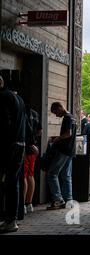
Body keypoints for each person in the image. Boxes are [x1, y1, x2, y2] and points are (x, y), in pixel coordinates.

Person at [0, 76, 27, 233]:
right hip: (20, 144)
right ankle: (13, 219)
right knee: (13, 182)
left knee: (6, 183)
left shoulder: (2, 98)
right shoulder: (19, 99)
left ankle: (9, 219)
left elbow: (3, 122)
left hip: (7, 146)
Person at [47, 102, 77, 210]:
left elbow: (68, 133)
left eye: (55, 112)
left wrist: (57, 138)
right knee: (66, 176)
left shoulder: (67, 118)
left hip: (63, 150)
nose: (56, 115)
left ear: (59, 108)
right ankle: (69, 200)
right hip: (70, 151)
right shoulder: (73, 117)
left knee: (52, 174)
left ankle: (58, 200)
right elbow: (71, 134)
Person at [23, 105, 42, 215]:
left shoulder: (23, 113)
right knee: (31, 175)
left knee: (24, 176)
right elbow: (40, 131)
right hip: (34, 148)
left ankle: (22, 205)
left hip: (26, 147)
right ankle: (29, 203)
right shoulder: (35, 113)